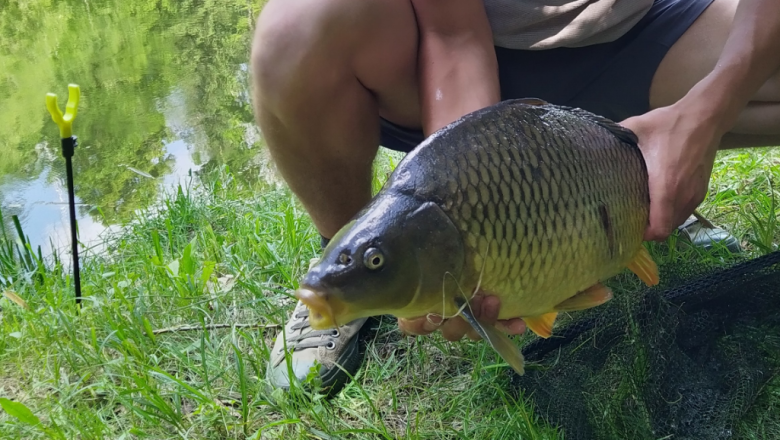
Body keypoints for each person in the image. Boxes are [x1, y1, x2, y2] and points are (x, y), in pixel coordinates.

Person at [250, 0, 780, 396]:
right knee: (294, 33)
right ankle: (355, 267)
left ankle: (635, 179)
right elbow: (453, 31)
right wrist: (462, 184)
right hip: (460, 52)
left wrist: (705, 115)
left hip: (651, 26)